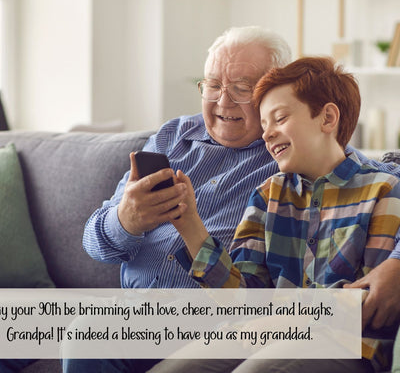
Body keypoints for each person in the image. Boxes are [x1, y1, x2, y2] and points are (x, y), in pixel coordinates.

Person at [0, 26, 400, 373]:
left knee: (93, 334)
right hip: (132, 305)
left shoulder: (288, 156)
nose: (223, 100)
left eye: (243, 88)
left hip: (207, 314)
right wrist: (124, 220)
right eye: (211, 84)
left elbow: (368, 175)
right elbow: (95, 242)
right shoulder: (173, 136)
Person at [153, 56, 400, 373]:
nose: (267, 134)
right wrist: (189, 224)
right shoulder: (268, 195)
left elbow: (368, 304)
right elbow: (244, 299)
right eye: (264, 124)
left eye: (279, 119)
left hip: (345, 344)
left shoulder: (382, 190)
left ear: (327, 118)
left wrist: (280, 320)